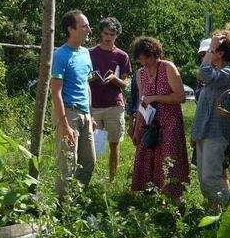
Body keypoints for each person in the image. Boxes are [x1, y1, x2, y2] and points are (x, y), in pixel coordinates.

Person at [130, 37, 190, 199]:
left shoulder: (168, 68)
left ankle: (172, 198)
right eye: (141, 59)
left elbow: (180, 97)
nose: (144, 62)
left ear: (155, 53)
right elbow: (141, 103)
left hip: (169, 122)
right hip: (149, 123)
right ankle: (151, 195)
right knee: (148, 156)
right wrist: (136, 129)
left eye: (147, 57)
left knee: (168, 158)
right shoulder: (140, 74)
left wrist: (155, 98)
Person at [191, 31, 230, 206]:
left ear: (220, 53)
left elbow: (204, 73)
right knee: (203, 180)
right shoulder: (214, 72)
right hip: (203, 132)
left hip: (217, 133)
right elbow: (202, 107)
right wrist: (194, 133)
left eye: (210, 51)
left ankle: (229, 208)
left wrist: (212, 47)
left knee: (210, 177)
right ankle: (215, 211)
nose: (205, 56)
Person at [51, 10, 96, 197]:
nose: (88, 29)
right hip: (68, 113)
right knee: (68, 164)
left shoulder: (85, 53)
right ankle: (62, 209)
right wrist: (64, 124)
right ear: (71, 29)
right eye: (84, 26)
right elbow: (56, 92)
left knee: (89, 162)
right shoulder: (60, 55)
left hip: (85, 114)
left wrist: (90, 114)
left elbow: (86, 85)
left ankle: (75, 202)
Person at [89, 17, 131, 182]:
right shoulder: (90, 53)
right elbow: (82, 77)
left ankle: (112, 179)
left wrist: (115, 78)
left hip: (115, 105)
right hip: (94, 106)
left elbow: (125, 83)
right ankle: (90, 178)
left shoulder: (122, 56)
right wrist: (90, 78)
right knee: (92, 145)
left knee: (114, 144)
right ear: (101, 32)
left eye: (112, 34)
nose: (108, 37)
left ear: (117, 35)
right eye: (106, 33)